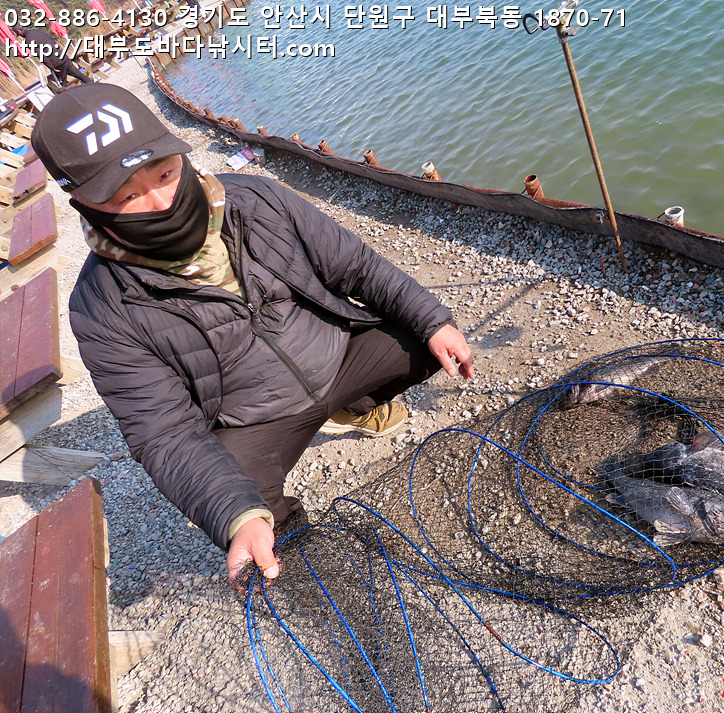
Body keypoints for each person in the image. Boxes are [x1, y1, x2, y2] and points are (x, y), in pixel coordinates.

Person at [31, 83, 474, 586]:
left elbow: (357, 268)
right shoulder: (99, 307)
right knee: (244, 510)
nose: (162, 202)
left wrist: (432, 320)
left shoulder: (257, 197)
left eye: (166, 173)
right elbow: (164, 433)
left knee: (425, 338)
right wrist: (237, 516)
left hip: (336, 352)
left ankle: (351, 405)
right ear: (83, 202)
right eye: (128, 195)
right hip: (255, 418)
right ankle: (291, 551)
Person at [12, 25, 95, 87]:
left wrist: (51, 67)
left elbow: (41, 56)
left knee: (64, 85)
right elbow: (52, 41)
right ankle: (94, 86)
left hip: (56, 63)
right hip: (62, 55)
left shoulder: (28, 40)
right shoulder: (39, 31)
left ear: (19, 31)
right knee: (79, 75)